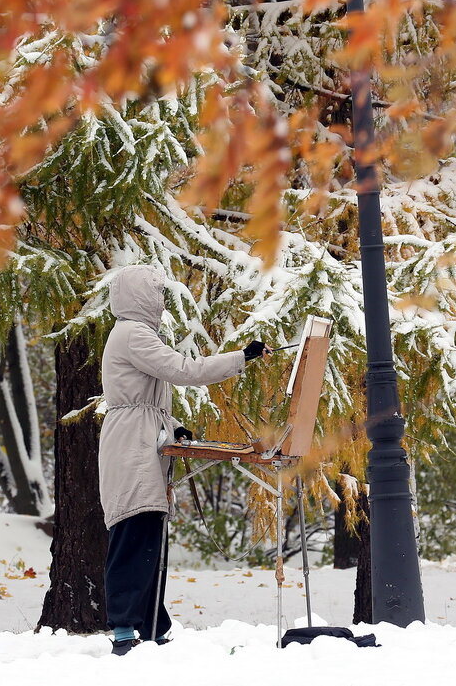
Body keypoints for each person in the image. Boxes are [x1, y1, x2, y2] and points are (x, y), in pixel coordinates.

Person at [98, 265, 270, 655]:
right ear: (141, 297)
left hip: (142, 441)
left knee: (148, 537)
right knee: (133, 533)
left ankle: (152, 626)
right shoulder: (132, 333)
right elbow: (183, 371)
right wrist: (241, 356)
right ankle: (125, 627)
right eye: (156, 294)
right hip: (132, 446)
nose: (161, 303)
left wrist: (173, 428)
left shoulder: (135, 334)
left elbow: (149, 400)